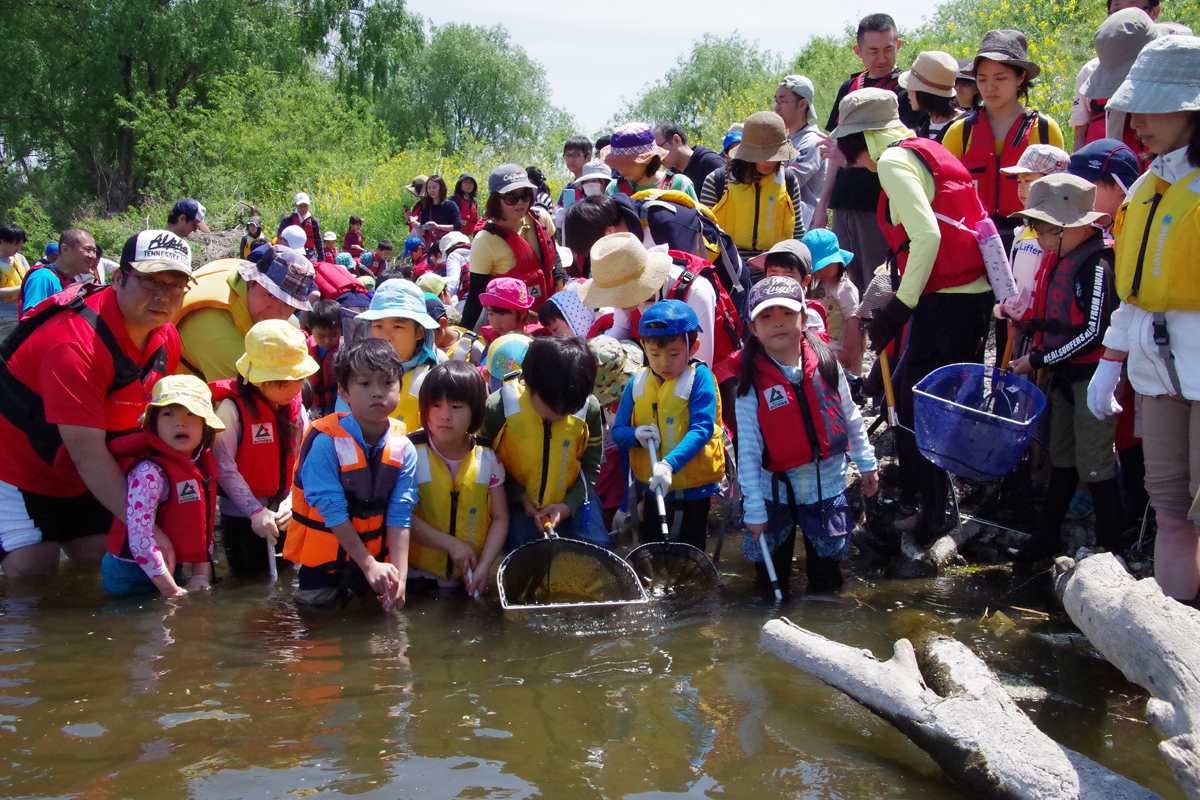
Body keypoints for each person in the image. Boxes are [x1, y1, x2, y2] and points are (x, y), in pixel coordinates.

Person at [833, 89, 993, 544]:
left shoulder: (892, 163)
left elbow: (926, 238)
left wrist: (898, 309)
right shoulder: (927, 147)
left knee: (917, 404)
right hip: (963, 298)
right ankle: (927, 504)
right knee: (913, 397)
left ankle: (930, 515)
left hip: (948, 301)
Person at [0, 229, 189, 577]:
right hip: (16, 464)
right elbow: (87, 454)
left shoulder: (166, 338)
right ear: (118, 278)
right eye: (150, 282)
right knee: (32, 572)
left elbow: (154, 423)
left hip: (78, 467)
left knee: (104, 559)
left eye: (175, 285)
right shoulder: (74, 345)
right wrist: (145, 530)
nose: (163, 296)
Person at [1086, 35, 1200, 601]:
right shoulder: (1149, 188)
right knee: (1171, 504)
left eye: (1152, 108)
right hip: (1157, 375)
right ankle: (1174, 629)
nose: (1137, 123)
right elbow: (1133, 294)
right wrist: (1112, 361)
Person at [734, 277, 878, 596]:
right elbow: (748, 452)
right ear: (753, 328)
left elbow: (850, 416)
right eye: (766, 316)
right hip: (773, 490)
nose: (778, 323)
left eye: (786, 313)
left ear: (803, 316)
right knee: (770, 584)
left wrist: (866, 462)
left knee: (827, 580)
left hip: (825, 484)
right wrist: (754, 510)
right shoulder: (751, 382)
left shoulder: (825, 364)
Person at [1002, 174, 1120, 559]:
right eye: (1035, 227)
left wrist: (1037, 360)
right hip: (1063, 375)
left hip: (1091, 377)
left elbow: (1095, 332)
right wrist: (1032, 329)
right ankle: (1045, 537)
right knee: (1063, 457)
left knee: (1096, 463)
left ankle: (1112, 545)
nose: (1039, 237)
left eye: (1046, 228)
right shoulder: (1060, 257)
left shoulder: (1097, 263)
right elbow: (1058, 319)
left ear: (1076, 227)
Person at [283, 339, 415, 608]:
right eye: (365, 384)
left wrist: (400, 577)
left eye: (388, 383)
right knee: (316, 631)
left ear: (400, 389)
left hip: (375, 567)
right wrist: (368, 564)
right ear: (343, 392)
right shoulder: (326, 442)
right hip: (323, 569)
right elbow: (332, 510)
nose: (377, 392)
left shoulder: (404, 447)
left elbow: (401, 511)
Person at [812, 13, 924, 296]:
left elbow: (906, 153)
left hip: (881, 203)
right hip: (844, 203)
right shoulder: (849, 88)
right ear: (858, 51)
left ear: (899, 45)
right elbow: (832, 152)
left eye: (889, 48)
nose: (882, 57)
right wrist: (822, 204)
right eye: (873, 50)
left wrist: (848, 157)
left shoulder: (906, 91)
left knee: (880, 288)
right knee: (843, 288)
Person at [611, 300, 724, 554]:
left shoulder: (699, 378)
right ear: (643, 348)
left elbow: (702, 428)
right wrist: (636, 435)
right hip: (652, 491)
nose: (664, 363)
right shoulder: (637, 382)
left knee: (690, 554)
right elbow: (618, 432)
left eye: (673, 354)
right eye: (654, 354)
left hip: (693, 491)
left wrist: (669, 463)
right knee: (652, 551)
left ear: (692, 347)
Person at [209, 320, 316, 577]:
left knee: (290, 578)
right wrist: (254, 511)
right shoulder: (231, 410)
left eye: (298, 379)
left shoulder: (296, 407)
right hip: (242, 516)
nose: (294, 387)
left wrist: (293, 501)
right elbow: (223, 467)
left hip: (285, 512)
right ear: (259, 379)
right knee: (248, 582)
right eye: (284, 381)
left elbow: (306, 457)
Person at [480, 336, 609, 549]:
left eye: (569, 410)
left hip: (573, 497)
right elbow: (485, 464)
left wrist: (568, 506)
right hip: (518, 502)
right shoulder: (499, 407)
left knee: (594, 547)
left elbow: (590, 467)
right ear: (528, 385)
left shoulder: (590, 408)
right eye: (552, 409)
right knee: (524, 548)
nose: (560, 415)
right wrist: (519, 497)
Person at [942, 30, 1064, 252]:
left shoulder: (1045, 129)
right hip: (974, 239)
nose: (989, 87)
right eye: (981, 79)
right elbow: (944, 194)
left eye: (1000, 78)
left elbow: (1060, 196)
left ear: (1020, 77)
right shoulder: (959, 131)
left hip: (1032, 239)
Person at [102, 375, 223, 597]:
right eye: (168, 414)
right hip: (130, 572)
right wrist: (171, 591)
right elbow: (140, 537)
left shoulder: (201, 468)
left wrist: (200, 576)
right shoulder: (149, 472)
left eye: (192, 414)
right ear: (154, 425)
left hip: (171, 567)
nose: (180, 422)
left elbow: (204, 529)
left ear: (206, 425)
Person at [406, 361, 507, 594]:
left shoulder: (487, 457)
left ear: (475, 411)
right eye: (436, 405)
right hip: (417, 578)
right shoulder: (409, 453)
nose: (445, 416)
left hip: (469, 577)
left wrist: (485, 566)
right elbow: (400, 516)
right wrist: (451, 544)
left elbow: (500, 518)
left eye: (456, 407)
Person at [578, 233, 718, 372]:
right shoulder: (622, 278)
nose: (614, 302)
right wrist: (592, 356)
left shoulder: (697, 291)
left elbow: (702, 366)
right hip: (656, 364)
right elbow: (622, 328)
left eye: (617, 294)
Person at [174, 245, 315, 383]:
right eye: (271, 295)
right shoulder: (213, 326)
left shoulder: (253, 298)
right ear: (251, 281)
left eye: (289, 303)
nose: (276, 312)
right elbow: (244, 399)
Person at [462, 164, 561, 329]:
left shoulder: (540, 217)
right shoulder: (484, 241)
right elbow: (475, 297)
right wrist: (463, 334)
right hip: (514, 328)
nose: (520, 202)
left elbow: (554, 254)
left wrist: (561, 279)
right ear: (495, 200)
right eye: (511, 197)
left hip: (550, 317)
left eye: (525, 195)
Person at [995, 144, 1072, 356]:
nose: (1021, 188)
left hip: (1045, 330)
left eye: (1028, 181)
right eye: (1019, 181)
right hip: (1017, 324)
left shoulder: (1064, 232)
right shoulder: (1022, 229)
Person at [701, 111, 805, 262]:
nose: (770, 161)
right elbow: (704, 233)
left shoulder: (788, 180)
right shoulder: (716, 180)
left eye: (775, 155)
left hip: (775, 268)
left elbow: (798, 233)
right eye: (763, 155)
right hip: (727, 270)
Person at [1070, 0, 1162, 152]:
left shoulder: (1172, 70)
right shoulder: (1091, 72)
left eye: (1134, 8)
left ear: (1154, 12)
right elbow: (1080, 133)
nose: (1124, 16)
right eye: (1116, 10)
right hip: (1102, 171)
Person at [351, 279, 440, 433]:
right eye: (378, 326)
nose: (386, 336)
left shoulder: (433, 380)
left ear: (419, 331)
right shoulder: (354, 373)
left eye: (397, 326)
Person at [802, 229, 865, 375]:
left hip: (842, 349)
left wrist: (848, 351)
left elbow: (853, 319)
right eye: (818, 266)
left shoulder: (845, 287)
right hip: (823, 348)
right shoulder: (814, 288)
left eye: (827, 264)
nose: (823, 270)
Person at [774, 76, 827, 230]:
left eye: (783, 101)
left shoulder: (812, 141)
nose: (777, 108)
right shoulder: (785, 139)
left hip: (805, 230)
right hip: (785, 226)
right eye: (776, 101)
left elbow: (786, 183)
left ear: (803, 104)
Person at [605, 123, 697, 201]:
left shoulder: (680, 185)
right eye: (617, 162)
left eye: (627, 163)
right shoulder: (613, 189)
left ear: (648, 158)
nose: (621, 168)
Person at [20, 227, 97, 317]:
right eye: (87, 249)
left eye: (94, 251)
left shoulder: (73, 280)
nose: (92, 256)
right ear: (65, 249)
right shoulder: (43, 278)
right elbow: (31, 322)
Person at [1069, 138, 1141, 224]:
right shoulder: (1098, 227)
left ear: (1120, 186)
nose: (1078, 193)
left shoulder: (1143, 227)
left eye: (1087, 185)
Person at [902, 51, 964, 142]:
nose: (907, 90)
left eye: (911, 85)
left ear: (923, 93)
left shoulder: (965, 125)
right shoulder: (924, 122)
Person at [655, 123, 726, 192]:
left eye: (659, 148)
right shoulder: (671, 176)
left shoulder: (711, 163)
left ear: (676, 140)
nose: (657, 154)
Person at [306, 299, 343, 418]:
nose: (327, 341)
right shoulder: (304, 348)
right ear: (310, 329)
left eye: (333, 335)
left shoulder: (345, 349)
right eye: (320, 336)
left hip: (337, 405)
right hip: (313, 407)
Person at [479, 277, 534, 344]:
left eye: (502, 314)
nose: (496, 322)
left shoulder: (533, 342)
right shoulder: (492, 339)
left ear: (522, 313)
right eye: (491, 314)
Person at [412, 175, 462, 248]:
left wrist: (438, 226)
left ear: (441, 188)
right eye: (429, 188)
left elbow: (457, 226)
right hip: (432, 246)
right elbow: (424, 231)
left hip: (449, 244)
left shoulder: (451, 205)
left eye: (434, 187)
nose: (431, 190)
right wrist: (420, 226)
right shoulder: (426, 207)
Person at [277, 192, 325, 263]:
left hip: (309, 255)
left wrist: (322, 259)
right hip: (291, 253)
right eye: (300, 206)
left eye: (305, 205)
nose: (303, 208)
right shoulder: (287, 219)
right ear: (295, 205)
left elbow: (318, 241)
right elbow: (279, 238)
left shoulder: (313, 221)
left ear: (308, 205)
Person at [0, 224, 29, 339]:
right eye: (16, 244)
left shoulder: (20, 258)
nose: (19, 248)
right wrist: (22, 287)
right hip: (5, 318)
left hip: (22, 315)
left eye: (20, 245)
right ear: (2, 241)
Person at [556, 137, 595, 211]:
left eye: (575, 155)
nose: (571, 159)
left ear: (588, 157)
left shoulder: (597, 184)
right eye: (567, 155)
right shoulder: (568, 188)